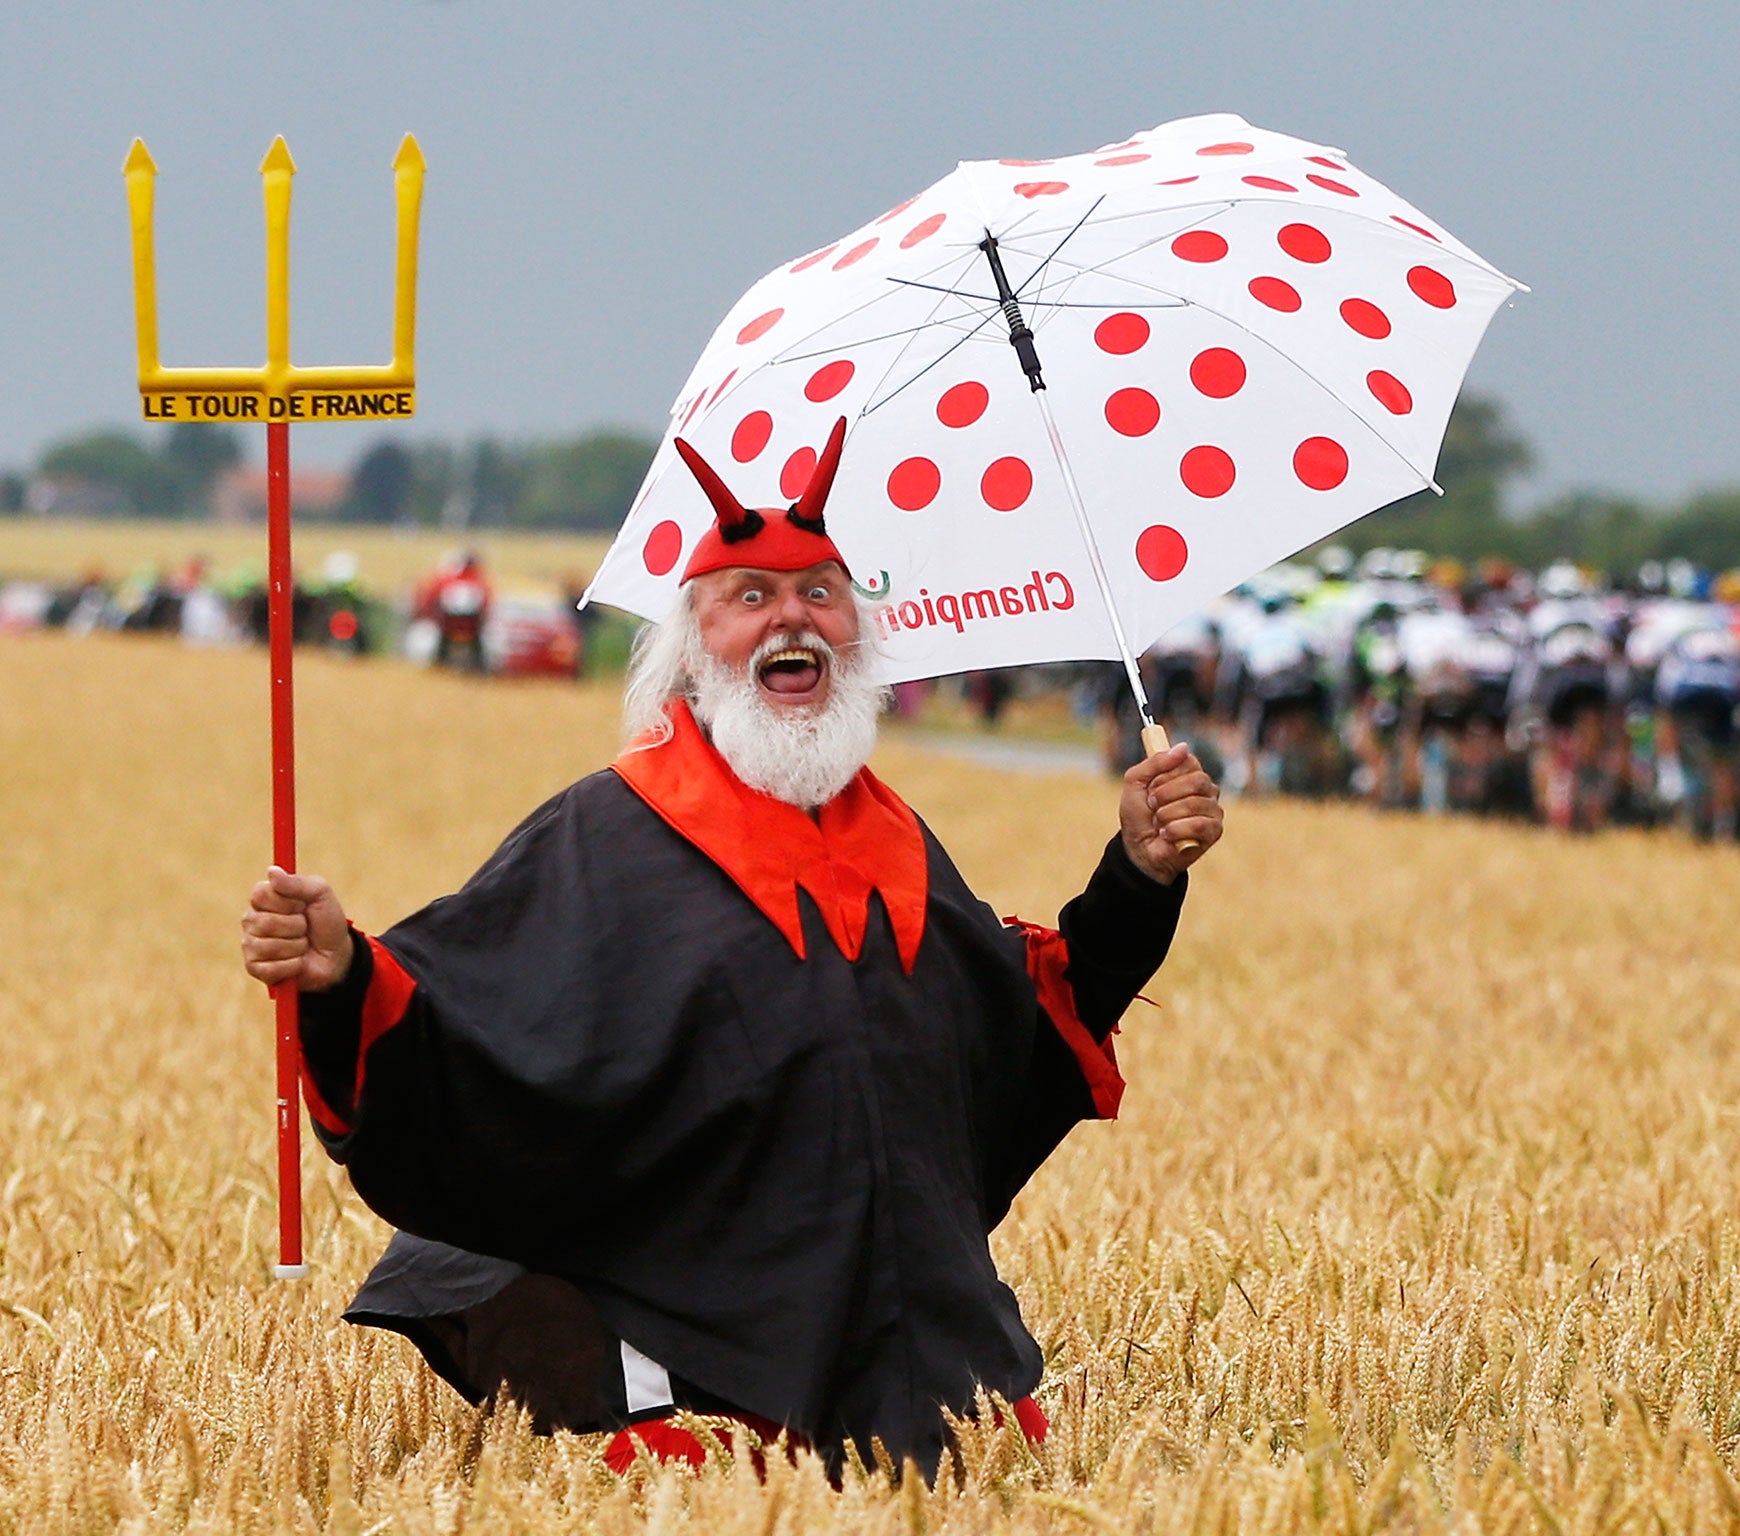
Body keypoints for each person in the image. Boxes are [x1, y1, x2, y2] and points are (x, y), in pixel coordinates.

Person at [238, 419, 1224, 1478]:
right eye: (748, 595)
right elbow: (459, 1023)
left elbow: (1019, 1031)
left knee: (1000, 1463)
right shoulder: (603, 833)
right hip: (700, 1379)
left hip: (933, 1371)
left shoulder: (895, 842)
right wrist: (342, 974)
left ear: (857, 632)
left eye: (818, 593)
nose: (788, 617)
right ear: (690, 640)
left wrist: (1137, 874)